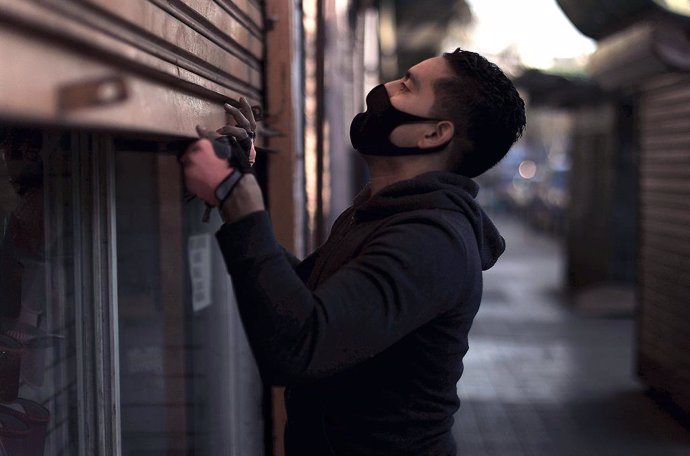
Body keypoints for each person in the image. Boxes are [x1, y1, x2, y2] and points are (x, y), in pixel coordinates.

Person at [180, 48, 526, 456]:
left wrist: (236, 196)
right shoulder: (389, 213)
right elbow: (300, 300)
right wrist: (239, 179)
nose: (382, 90)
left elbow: (299, 345)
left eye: (406, 86)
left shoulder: (431, 240)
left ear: (433, 134)